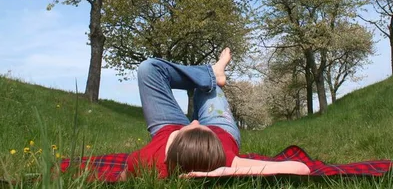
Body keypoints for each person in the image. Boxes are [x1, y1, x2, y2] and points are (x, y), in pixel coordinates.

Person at [121, 48, 311, 179]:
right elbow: (301, 168)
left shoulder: (144, 159)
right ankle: (212, 74)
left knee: (149, 68)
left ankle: (209, 74)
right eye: (201, 127)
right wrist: (220, 172)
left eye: (192, 127)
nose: (195, 121)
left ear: (168, 151)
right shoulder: (222, 158)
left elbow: (123, 177)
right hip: (221, 127)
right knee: (206, 88)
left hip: (166, 126)